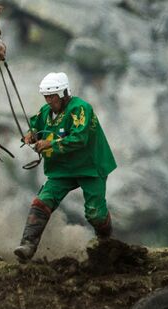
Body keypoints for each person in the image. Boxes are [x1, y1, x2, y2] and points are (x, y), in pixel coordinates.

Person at [14, 72, 117, 261]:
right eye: (46, 96)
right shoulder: (45, 112)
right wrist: (31, 135)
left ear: (64, 94)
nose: (48, 100)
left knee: (95, 213)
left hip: (90, 167)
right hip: (62, 170)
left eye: (52, 96)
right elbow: (35, 126)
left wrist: (49, 144)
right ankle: (27, 245)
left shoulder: (81, 109)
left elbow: (79, 138)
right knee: (42, 201)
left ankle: (105, 242)